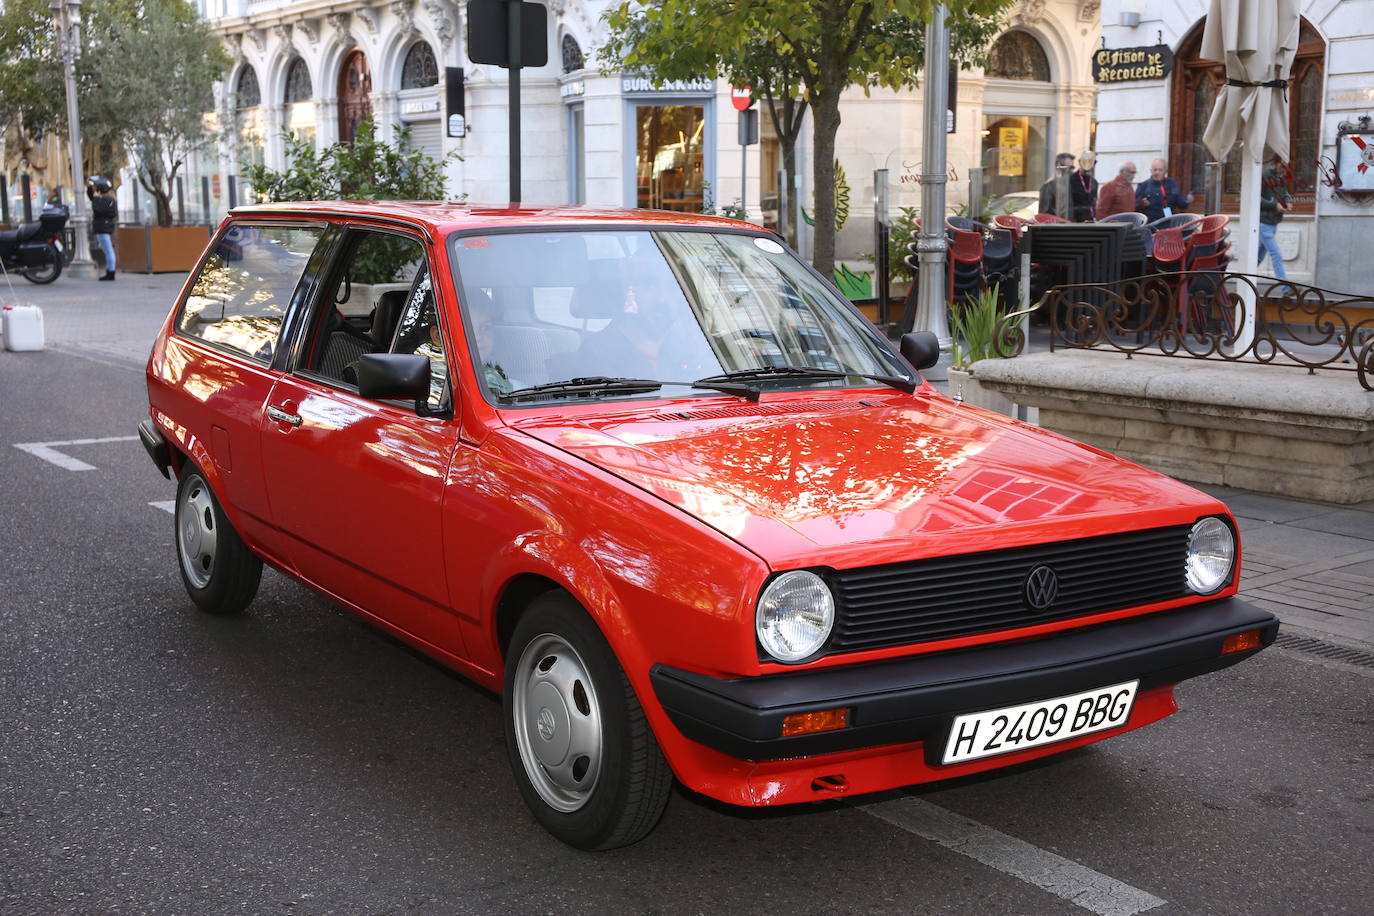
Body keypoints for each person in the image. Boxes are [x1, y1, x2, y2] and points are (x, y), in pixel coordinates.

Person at [1258, 158, 1292, 285]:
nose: (1285, 169)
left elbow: (1285, 193)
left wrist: (1288, 201)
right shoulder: (1264, 175)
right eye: (1283, 166)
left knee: (1257, 258)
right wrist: (1274, 205)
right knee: (1276, 254)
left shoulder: (1282, 176)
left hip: (1273, 222)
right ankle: (1286, 289)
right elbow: (1255, 196)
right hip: (1263, 222)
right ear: (1276, 163)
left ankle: (1240, 278)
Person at [1134, 158, 1191, 223]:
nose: (1157, 172)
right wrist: (1141, 204)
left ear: (1165, 171)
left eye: (1160, 170)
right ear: (1151, 171)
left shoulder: (1172, 183)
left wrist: (1188, 201)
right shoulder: (1143, 186)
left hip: (1169, 222)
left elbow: (1181, 204)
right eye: (1155, 170)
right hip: (1151, 224)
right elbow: (1135, 209)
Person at [86, 176, 117, 281]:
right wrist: (90, 189)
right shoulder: (108, 199)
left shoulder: (106, 200)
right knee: (108, 250)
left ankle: (111, 273)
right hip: (104, 227)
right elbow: (92, 199)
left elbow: (97, 210)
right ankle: (110, 271)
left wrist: (95, 199)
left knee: (108, 251)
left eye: (97, 188)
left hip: (103, 228)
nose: (96, 190)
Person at [1071, 150, 1099, 221]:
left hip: (1091, 222)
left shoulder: (1094, 182)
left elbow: (1094, 203)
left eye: (1093, 162)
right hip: (1074, 223)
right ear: (1080, 162)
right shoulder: (1070, 180)